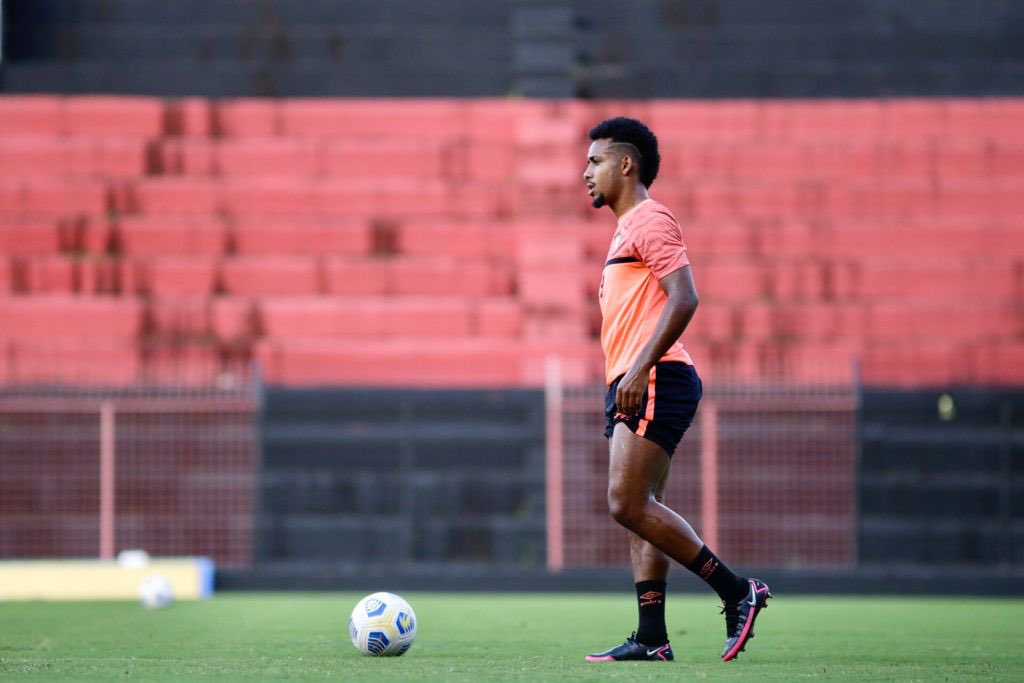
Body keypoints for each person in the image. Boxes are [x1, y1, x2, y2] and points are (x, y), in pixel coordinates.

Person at [581, 117, 770, 663]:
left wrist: (639, 368)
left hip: (656, 375)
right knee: (644, 507)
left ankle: (738, 591)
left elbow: (685, 297)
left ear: (626, 164)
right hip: (634, 377)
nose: (585, 172)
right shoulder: (626, 229)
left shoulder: (650, 218)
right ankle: (652, 637)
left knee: (626, 502)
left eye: (595, 161)